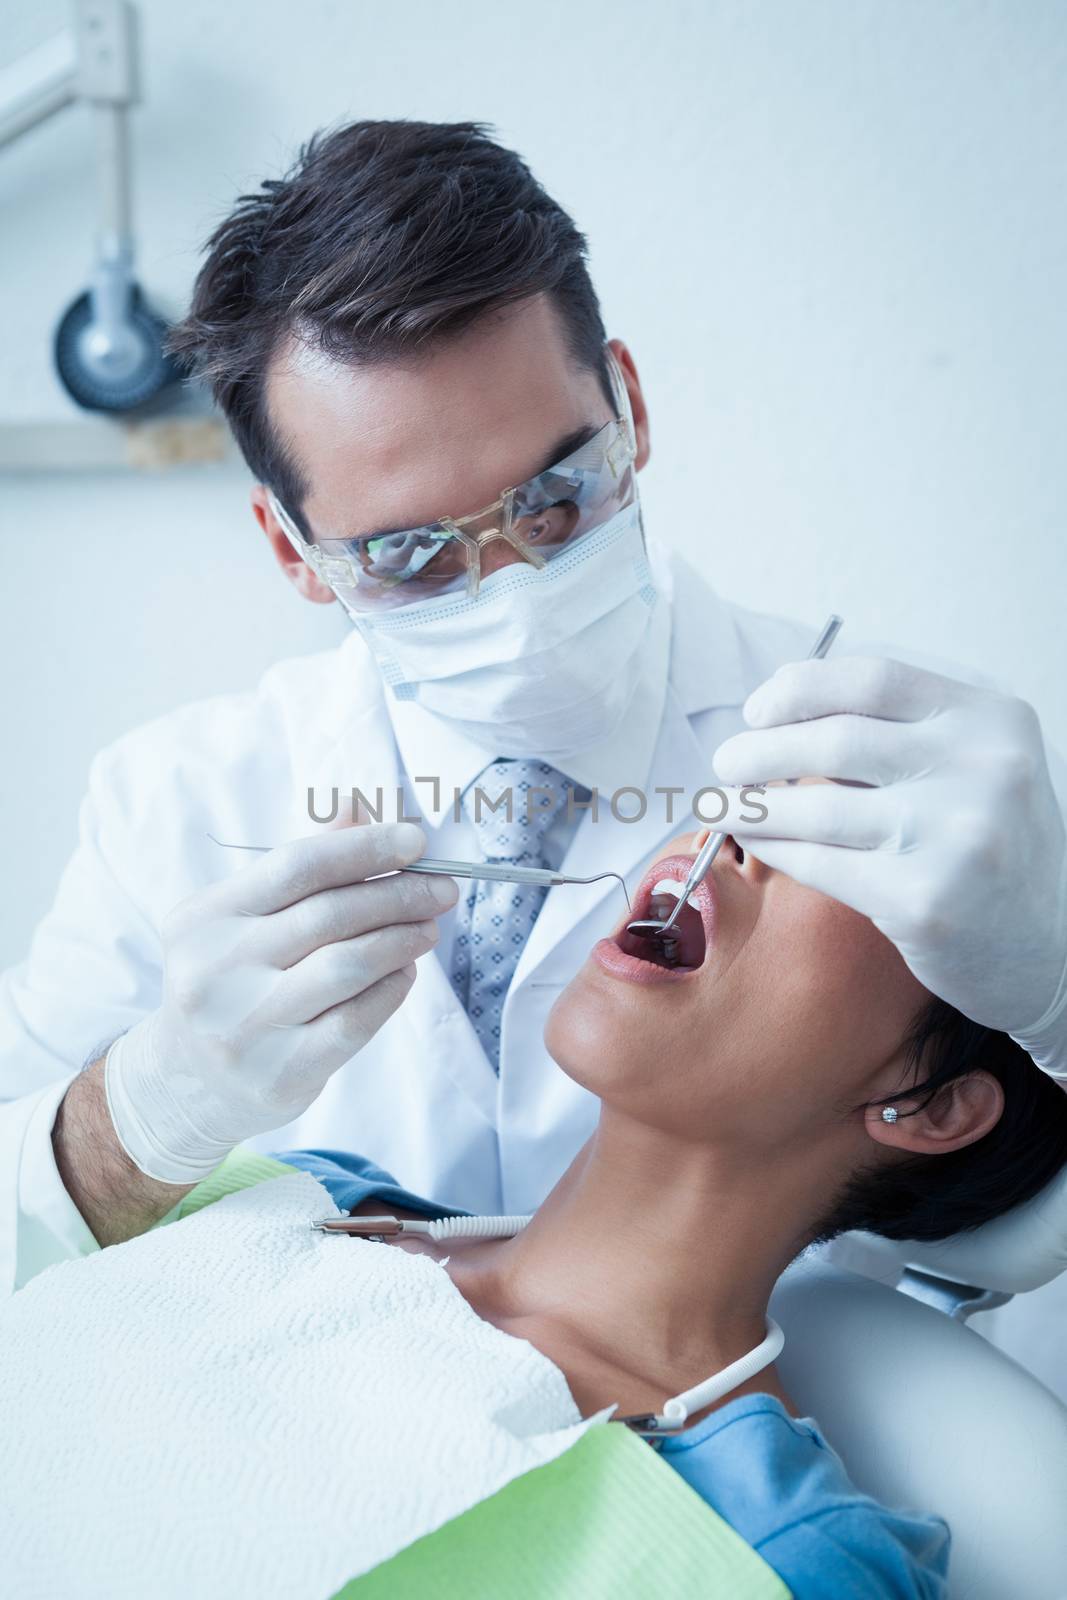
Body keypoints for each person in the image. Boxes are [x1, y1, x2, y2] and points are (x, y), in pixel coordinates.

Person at [2, 119, 1065, 1298]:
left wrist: (1059, 997)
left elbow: (989, 1248)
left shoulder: (897, 762)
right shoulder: (179, 802)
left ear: (631, 406)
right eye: (409, 554)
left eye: (556, 497)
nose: (514, 594)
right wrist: (150, 1106)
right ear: (292, 550)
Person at [10, 825, 1067, 1597]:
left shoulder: (787, 1551)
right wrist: (125, 1112)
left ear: (927, 1106)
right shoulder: (295, 1185)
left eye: (853, 855)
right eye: (770, 792)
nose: (736, 834)